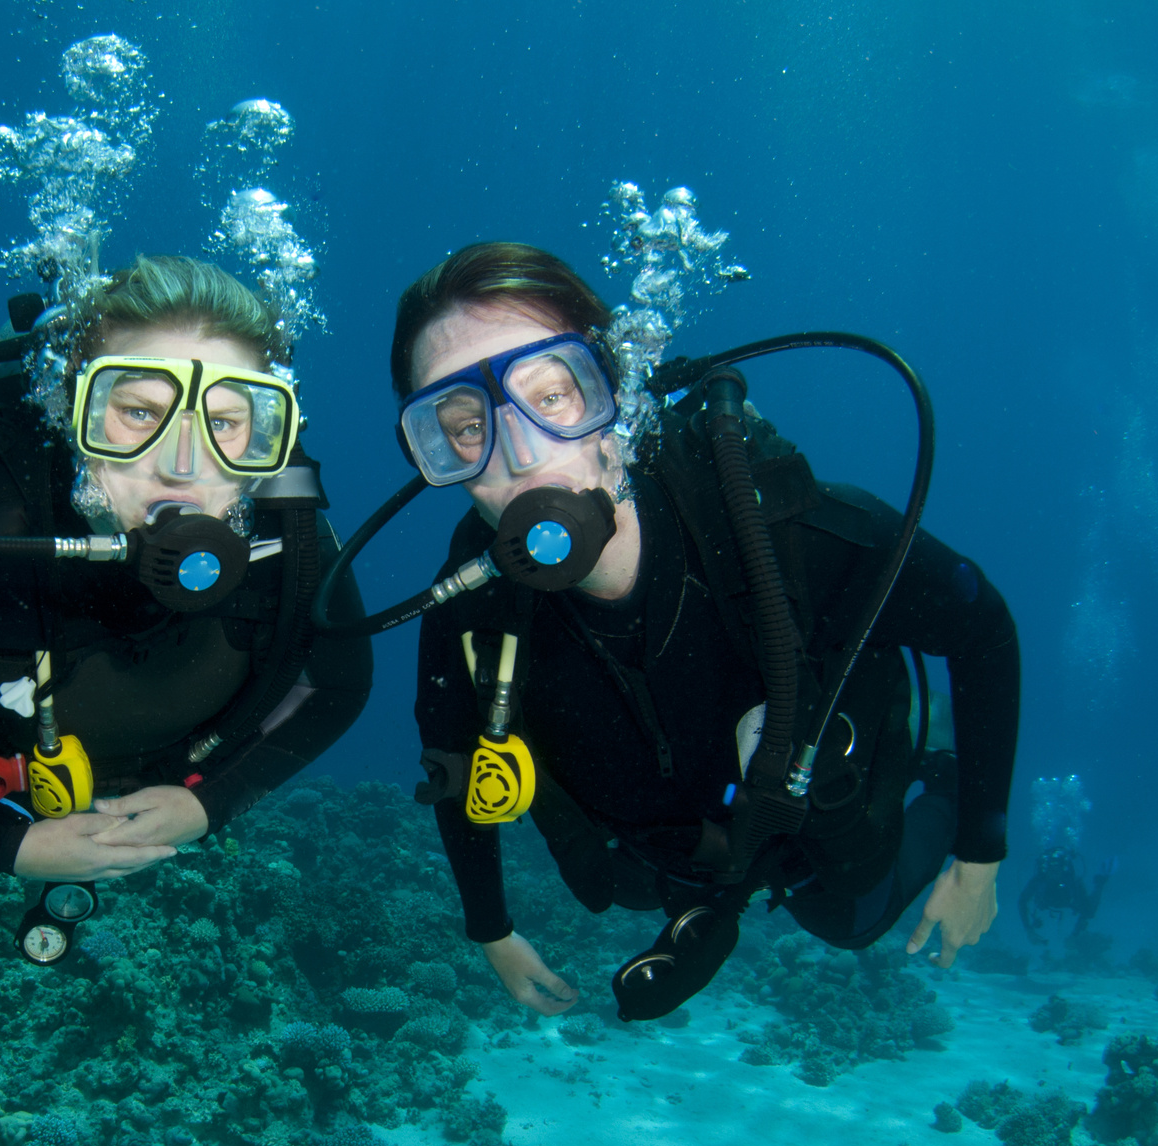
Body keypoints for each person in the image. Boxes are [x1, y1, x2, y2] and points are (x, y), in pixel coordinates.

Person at [396, 243, 1020, 1020]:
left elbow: (983, 628)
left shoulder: (782, 528)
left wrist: (979, 858)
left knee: (852, 918)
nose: (519, 454)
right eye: (462, 428)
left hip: (814, 814)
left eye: (551, 395)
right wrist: (491, 929)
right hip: (676, 851)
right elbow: (455, 770)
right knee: (619, 887)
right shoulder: (471, 613)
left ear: (610, 396)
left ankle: (943, 770)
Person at [0, 255, 370, 896]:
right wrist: (6, 844)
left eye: (226, 422)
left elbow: (339, 690)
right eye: (140, 413)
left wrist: (213, 803)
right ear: (73, 410)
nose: (180, 465)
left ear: (267, 433)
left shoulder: (288, 544)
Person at [1019, 846, 1112, 945]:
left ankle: (1099, 883)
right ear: (1045, 868)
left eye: (1057, 869)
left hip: (1068, 901)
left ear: (1063, 869)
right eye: (1051, 869)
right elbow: (1022, 901)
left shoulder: (1072, 881)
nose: (1054, 874)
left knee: (1090, 912)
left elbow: (1086, 910)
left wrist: (1075, 934)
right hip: (1047, 902)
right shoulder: (1038, 880)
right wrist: (1029, 930)